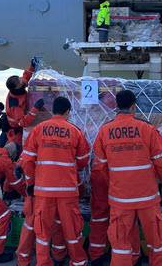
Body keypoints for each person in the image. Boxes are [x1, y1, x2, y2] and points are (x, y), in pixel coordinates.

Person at [93, 90, 162, 266]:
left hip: (120, 198)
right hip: (147, 198)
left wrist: (115, 183)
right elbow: (161, 163)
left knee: (120, 246)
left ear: (116, 107)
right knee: (157, 244)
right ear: (134, 106)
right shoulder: (147, 129)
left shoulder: (105, 131)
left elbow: (100, 168)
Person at [21, 96, 90, 266]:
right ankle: (77, 261)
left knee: (43, 231)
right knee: (72, 229)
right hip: (67, 191)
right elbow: (83, 160)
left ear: (53, 111)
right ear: (68, 112)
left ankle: (45, 262)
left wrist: (31, 182)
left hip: (43, 191)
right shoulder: (75, 131)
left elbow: (27, 160)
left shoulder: (38, 129)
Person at [89, 148, 142, 266]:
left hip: (102, 171)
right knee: (127, 218)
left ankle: (96, 256)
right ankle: (133, 257)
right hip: (121, 172)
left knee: (99, 217)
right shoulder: (135, 131)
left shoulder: (102, 132)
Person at [14, 162, 68, 266]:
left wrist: (29, 183)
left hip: (39, 189)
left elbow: (25, 162)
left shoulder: (33, 147)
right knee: (53, 223)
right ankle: (58, 257)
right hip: (52, 189)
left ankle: (24, 260)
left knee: (32, 226)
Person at [5, 57, 44, 146]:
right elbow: (22, 122)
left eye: (20, 79)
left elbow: (26, 76)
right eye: (20, 82)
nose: (22, 80)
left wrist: (32, 66)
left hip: (22, 119)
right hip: (16, 130)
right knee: (19, 148)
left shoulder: (19, 86)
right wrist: (36, 108)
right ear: (16, 87)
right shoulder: (14, 105)